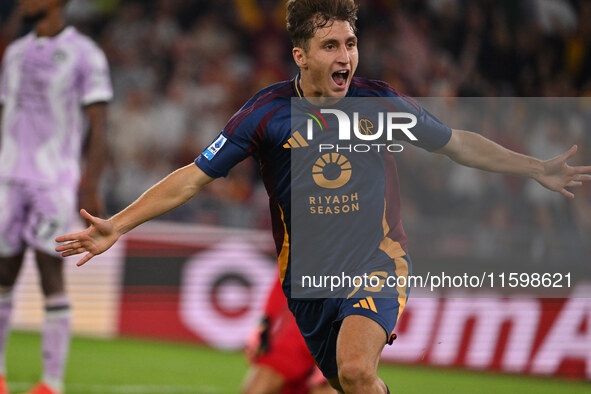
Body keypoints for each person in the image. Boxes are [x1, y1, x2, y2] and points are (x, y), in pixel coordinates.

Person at [55, 1, 591, 393]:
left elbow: (457, 145)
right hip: (306, 284)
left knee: (357, 371)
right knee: (349, 385)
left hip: (377, 262)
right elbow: (193, 177)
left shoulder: (379, 103)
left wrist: (533, 167)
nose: (346, 57)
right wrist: (118, 225)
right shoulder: (263, 114)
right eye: (331, 46)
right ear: (300, 55)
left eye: (351, 44)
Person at [0, 0, 112, 393]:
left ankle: (51, 382)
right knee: (2, 273)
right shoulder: (14, 53)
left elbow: (99, 124)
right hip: (8, 177)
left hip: (53, 180)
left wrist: (91, 185)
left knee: (51, 271)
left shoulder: (85, 54)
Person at [242, 275, 336, 394]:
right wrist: (265, 323)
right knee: (256, 388)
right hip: (297, 333)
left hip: (338, 334)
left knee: (334, 386)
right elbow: (282, 279)